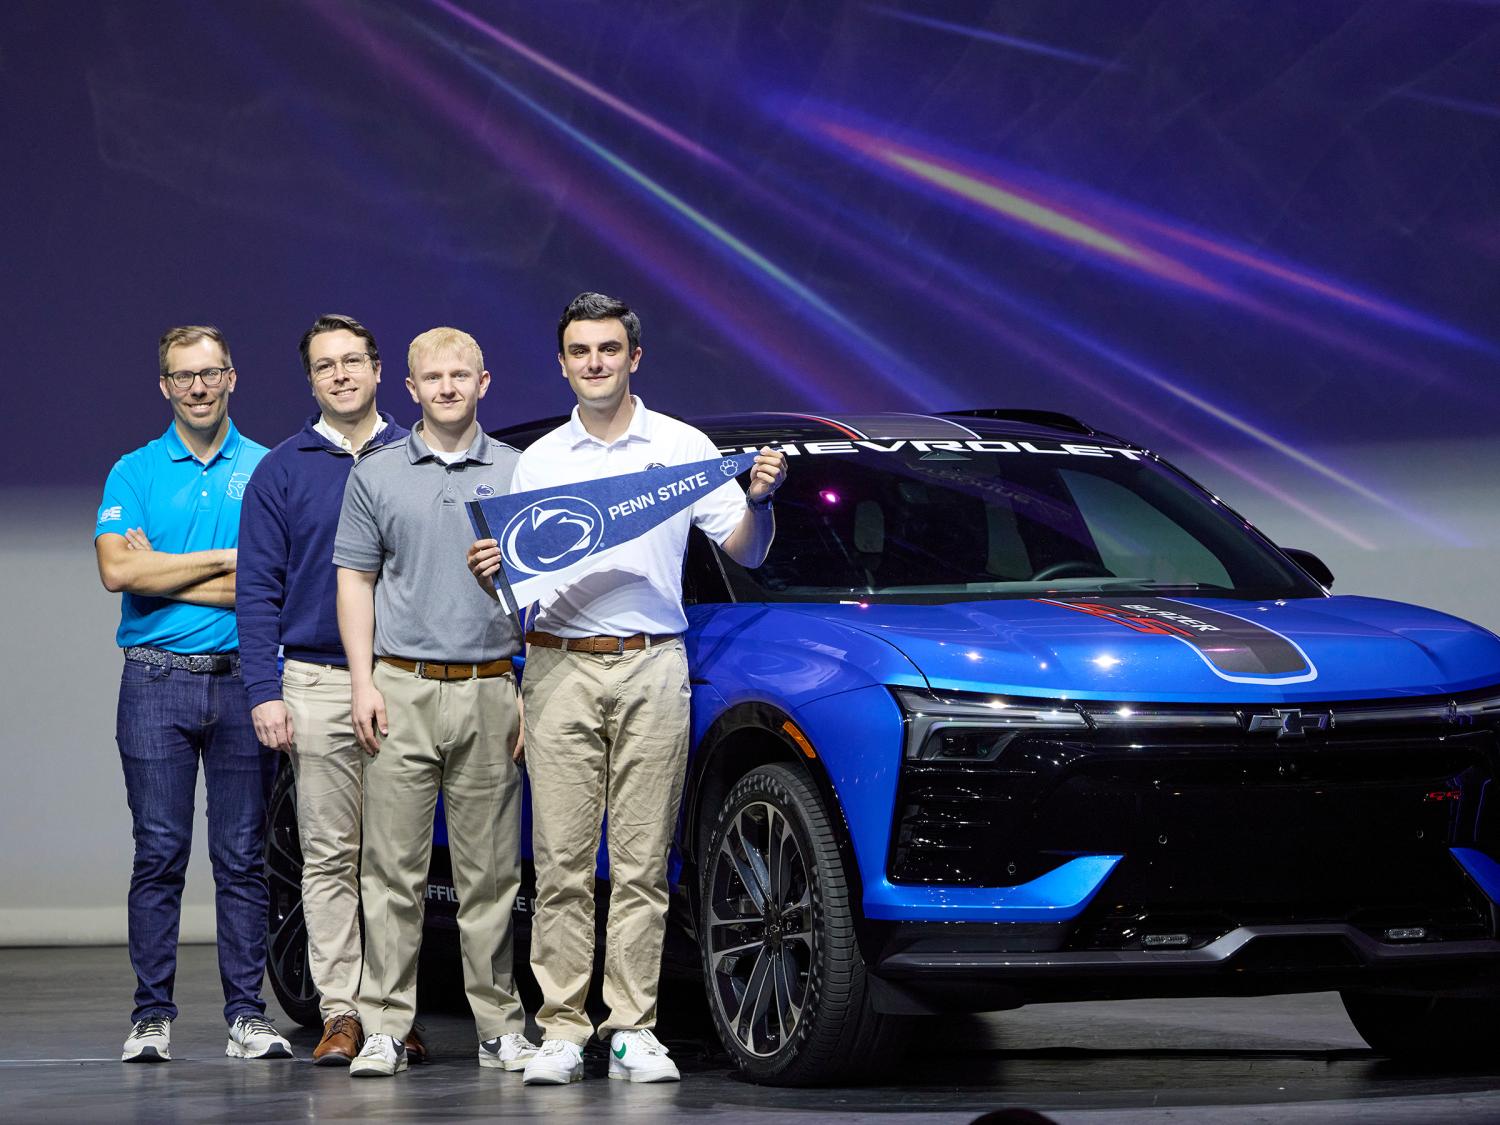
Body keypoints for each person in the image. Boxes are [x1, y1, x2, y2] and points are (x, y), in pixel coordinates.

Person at [466, 292, 786, 1084]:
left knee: (643, 863)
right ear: (563, 362)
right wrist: (493, 576)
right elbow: (518, 587)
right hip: (559, 665)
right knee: (562, 862)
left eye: (609, 349)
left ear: (634, 357)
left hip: (652, 661)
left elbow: (745, 549)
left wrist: (758, 503)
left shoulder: (681, 446)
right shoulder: (541, 461)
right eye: (580, 351)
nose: (595, 362)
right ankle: (563, 1028)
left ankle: (632, 1028)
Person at [334, 327, 535, 1078]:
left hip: (491, 687)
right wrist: (362, 681)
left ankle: (499, 1026)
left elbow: (550, 590)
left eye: (460, 375)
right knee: (391, 872)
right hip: (402, 686)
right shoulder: (376, 474)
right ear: (410, 388)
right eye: (433, 377)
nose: (447, 387)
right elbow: (355, 580)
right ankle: (385, 1025)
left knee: (493, 875)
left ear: (484, 382)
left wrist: (530, 687)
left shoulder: (521, 472)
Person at [94, 325, 289, 1063]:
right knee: (159, 854)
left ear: (232, 378)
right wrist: (228, 559)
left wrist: (167, 570)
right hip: (154, 681)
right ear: (165, 387)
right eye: (184, 376)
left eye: (210, 373)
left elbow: (273, 586)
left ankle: (247, 1015)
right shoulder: (133, 471)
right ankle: (151, 1016)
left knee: (242, 859)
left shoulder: (267, 468)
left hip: (245, 682)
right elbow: (118, 572)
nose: (199, 387)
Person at [235, 314, 409, 1065]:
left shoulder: (414, 454)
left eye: (352, 361)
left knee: (396, 860)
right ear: (310, 381)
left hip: (403, 679)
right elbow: (256, 591)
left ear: (377, 369)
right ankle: (341, 1010)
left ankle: (392, 1012)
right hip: (313, 679)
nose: (340, 375)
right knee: (330, 855)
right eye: (324, 366)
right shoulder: (282, 469)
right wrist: (263, 690)